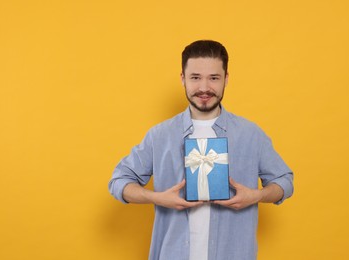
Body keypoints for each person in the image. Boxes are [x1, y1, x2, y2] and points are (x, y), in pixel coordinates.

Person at [108, 40, 294, 260]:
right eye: (195, 77)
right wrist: (157, 197)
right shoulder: (160, 135)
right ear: (183, 79)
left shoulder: (250, 134)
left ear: (226, 79)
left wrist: (257, 195)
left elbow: (285, 181)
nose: (204, 87)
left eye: (213, 78)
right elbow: (118, 181)